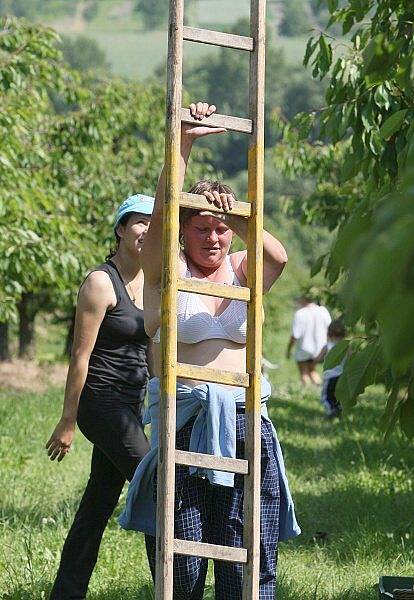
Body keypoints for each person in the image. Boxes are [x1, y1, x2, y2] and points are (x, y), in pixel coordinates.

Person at [119, 102, 300, 599]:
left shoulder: (244, 269)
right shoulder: (166, 273)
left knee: (249, 546)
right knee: (186, 554)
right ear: (184, 231)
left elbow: (277, 256)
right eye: (202, 228)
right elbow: (159, 222)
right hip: (187, 417)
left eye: (220, 229)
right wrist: (183, 144)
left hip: (245, 418)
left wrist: (235, 215)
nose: (213, 238)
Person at [46, 194, 155, 599]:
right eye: (139, 222)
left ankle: (66, 592)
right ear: (121, 229)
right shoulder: (100, 282)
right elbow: (80, 355)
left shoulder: (156, 280)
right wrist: (68, 420)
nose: (147, 229)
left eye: (153, 222)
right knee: (155, 487)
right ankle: (173, 588)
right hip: (100, 402)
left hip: (131, 405)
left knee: (97, 505)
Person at [286, 290, 331, 386]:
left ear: (303, 299)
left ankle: (306, 391)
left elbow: (295, 335)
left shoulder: (300, 313)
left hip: (304, 348)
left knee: (304, 372)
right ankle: (318, 388)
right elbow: (330, 329)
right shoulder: (323, 310)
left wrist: (289, 349)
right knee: (312, 369)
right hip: (320, 348)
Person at [317, 319, 346, 419]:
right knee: (338, 395)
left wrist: (314, 360)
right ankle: (339, 409)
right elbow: (352, 358)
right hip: (342, 376)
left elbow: (319, 358)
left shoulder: (327, 346)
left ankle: (331, 411)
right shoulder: (347, 346)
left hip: (330, 377)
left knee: (327, 396)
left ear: (329, 333)